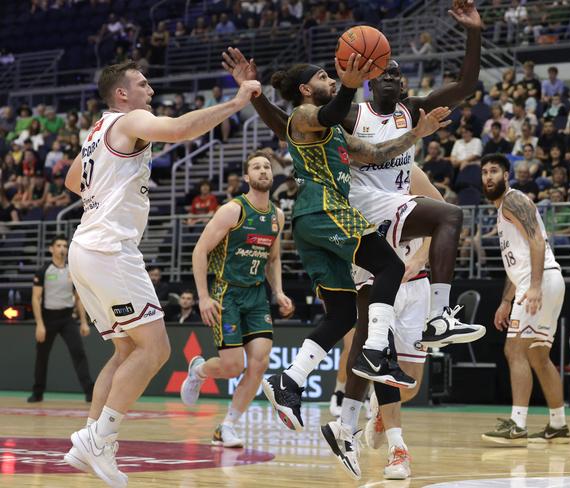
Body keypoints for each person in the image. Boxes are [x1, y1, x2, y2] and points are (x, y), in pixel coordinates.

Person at [221, 1, 486, 478]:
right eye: (386, 73)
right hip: (358, 212)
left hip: (373, 220)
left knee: (362, 328)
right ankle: (442, 317)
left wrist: (473, 32)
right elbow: (292, 125)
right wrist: (258, 94)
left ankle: (338, 419)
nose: (394, 79)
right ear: (369, 77)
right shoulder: (346, 113)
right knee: (449, 218)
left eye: (399, 75)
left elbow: (465, 87)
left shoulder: (409, 112)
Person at [62, 60, 260, 487]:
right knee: (154, 351)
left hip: (85, 247)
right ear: (122, 94)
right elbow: (179, 131)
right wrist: (236, 101)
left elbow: (71, 178)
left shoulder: (97, 131)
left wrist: (107, 197)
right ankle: (101, 437)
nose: (149, 89)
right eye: (142, 83)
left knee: (124, 353)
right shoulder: (132, 118)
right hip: (111, 248)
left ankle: (89, 440)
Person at [181, 151, 295, 447]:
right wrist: (203, 297)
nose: (262, 171)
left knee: (259, 362)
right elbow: (200, 251)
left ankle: (227, 425)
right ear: (247, 177)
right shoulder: (233, 210)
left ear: (272, 174)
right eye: (256, 167)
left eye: (267, 167)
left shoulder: (277, 216)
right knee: (232, 366)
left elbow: (273, 258)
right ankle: (199, 370)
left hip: (257, 295)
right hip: (226, 293)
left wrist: (279, 291)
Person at [480, 153, 570, 446]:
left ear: (506, 176)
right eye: (484, 172)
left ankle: (517, 425)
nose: (488, 177)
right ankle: (558, 425)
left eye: (494, 171)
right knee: (538, 356)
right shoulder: (503, 209)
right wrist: (506, 301)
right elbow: (515, 263)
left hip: (541, 279)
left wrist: (533, 287)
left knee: (514, 349)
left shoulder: (513, 200)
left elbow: (537, 241)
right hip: (544, 280)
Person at [29, 235, 94, 403]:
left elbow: (78, 298)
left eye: (65, 245)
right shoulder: (43, 271)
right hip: (48, 318)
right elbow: (36, 298)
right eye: (58, 245)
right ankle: (37, 392)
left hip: (67, 319)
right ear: (51, 249)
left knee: (78, 352)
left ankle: (90, 392)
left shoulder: (72, 271)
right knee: (42, 356)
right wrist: (40, 325)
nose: (62, 249)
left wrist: (84, 322)